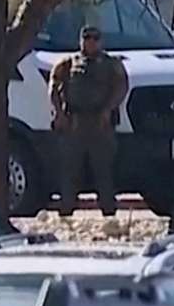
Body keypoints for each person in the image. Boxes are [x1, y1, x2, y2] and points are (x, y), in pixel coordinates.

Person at [49, 25, 130, 217]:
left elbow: (122, 86)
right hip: (74, 124)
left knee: (103, 172)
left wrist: (108, 109)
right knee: (70, 171)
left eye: (95, 38)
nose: (91, 42)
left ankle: (109, 214)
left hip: (100, 125)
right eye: (86, 38)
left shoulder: (111, 64)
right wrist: (59, 113)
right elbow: (54, 85)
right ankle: (66, 213)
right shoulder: (68, 63)